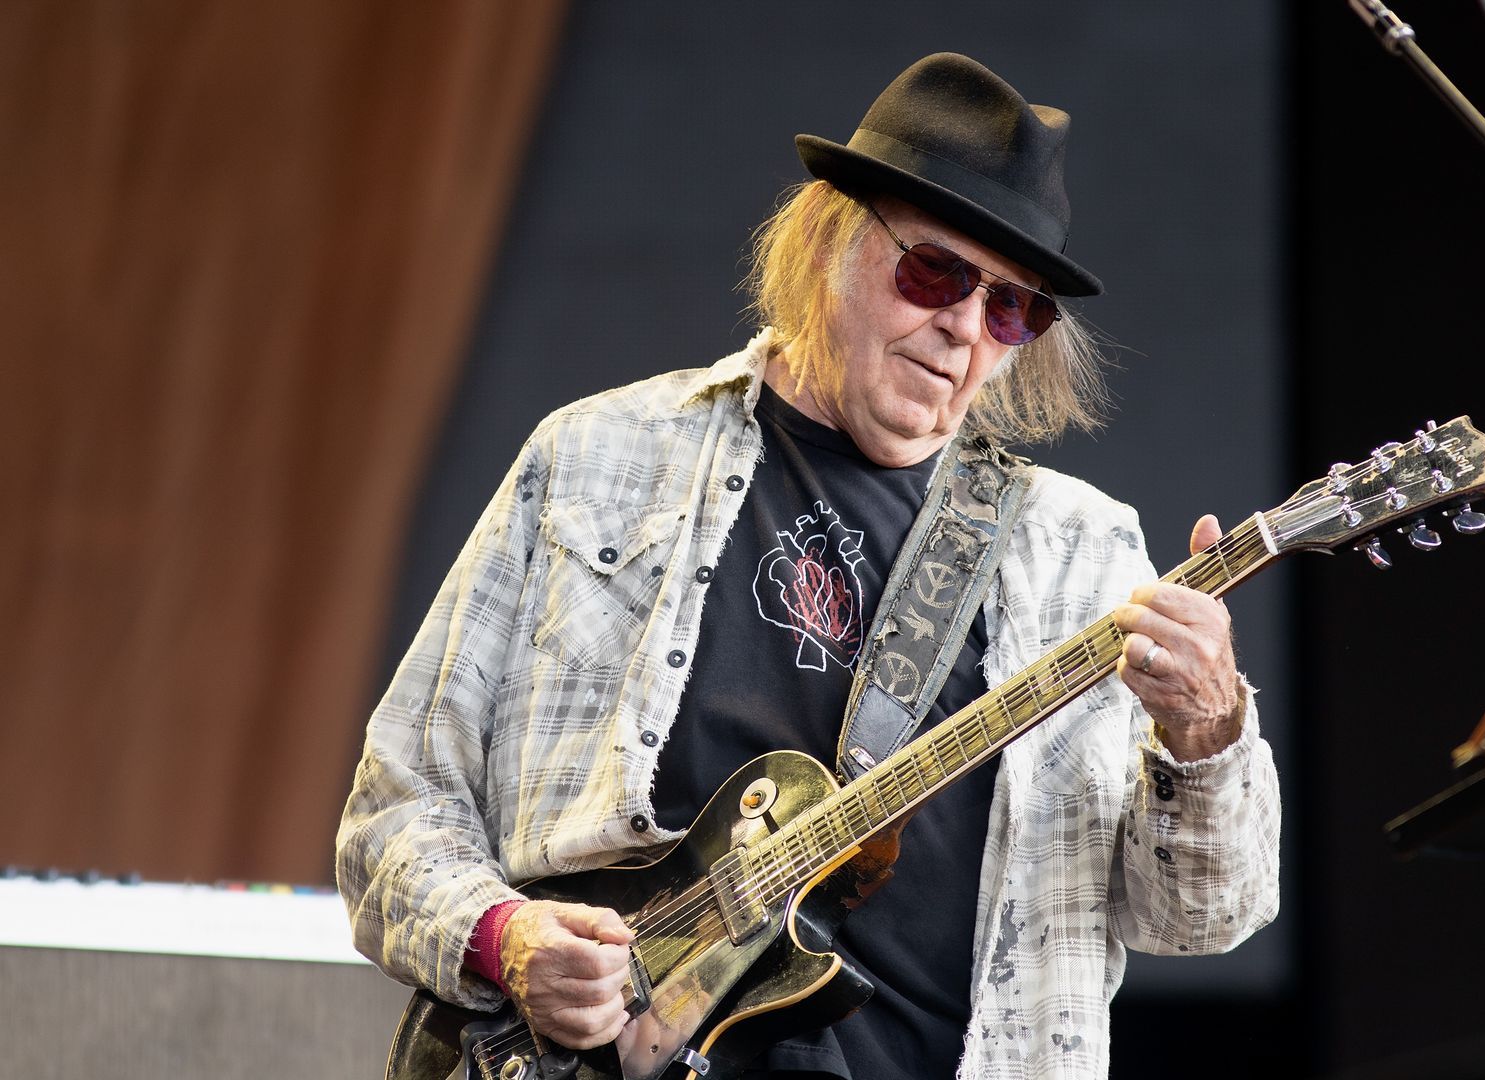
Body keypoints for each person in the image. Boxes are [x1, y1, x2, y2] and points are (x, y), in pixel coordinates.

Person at [337, 52, 1280, 1079]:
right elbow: (397, 809)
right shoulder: (593, 461)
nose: (966, 325)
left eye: (1011, 307)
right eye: (935, 272)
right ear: (829, 241)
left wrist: (1209, 729)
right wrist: (506, 942)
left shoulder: (1083, 556)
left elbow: (1203, 918)